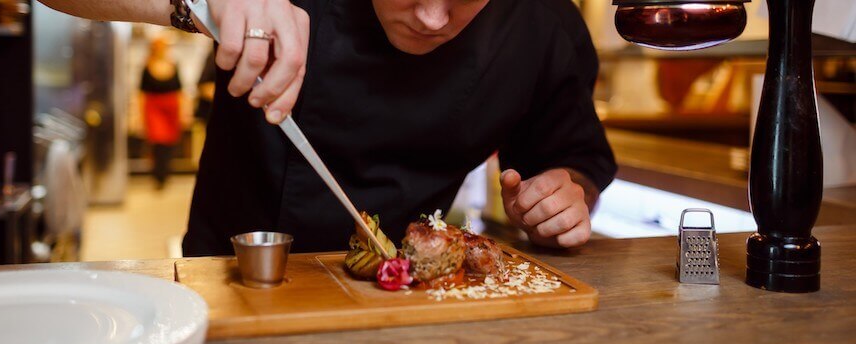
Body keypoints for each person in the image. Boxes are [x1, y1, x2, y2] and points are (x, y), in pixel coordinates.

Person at [39, 0, 617, 255]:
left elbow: (572, 161)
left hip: (414, 299)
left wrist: (562, 198)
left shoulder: (544, 25)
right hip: (237, 272)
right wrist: (198, 1)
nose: (433, 17)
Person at [139, 36, 183, 189]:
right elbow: (142, 93)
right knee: (157, 141)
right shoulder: (146, 67)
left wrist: (183, 112)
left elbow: (179, 92)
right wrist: (139, 116)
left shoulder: (174, 65)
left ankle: (165, 173)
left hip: (171, 108)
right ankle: (158, 175)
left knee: (169, 142)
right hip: (154, 107)